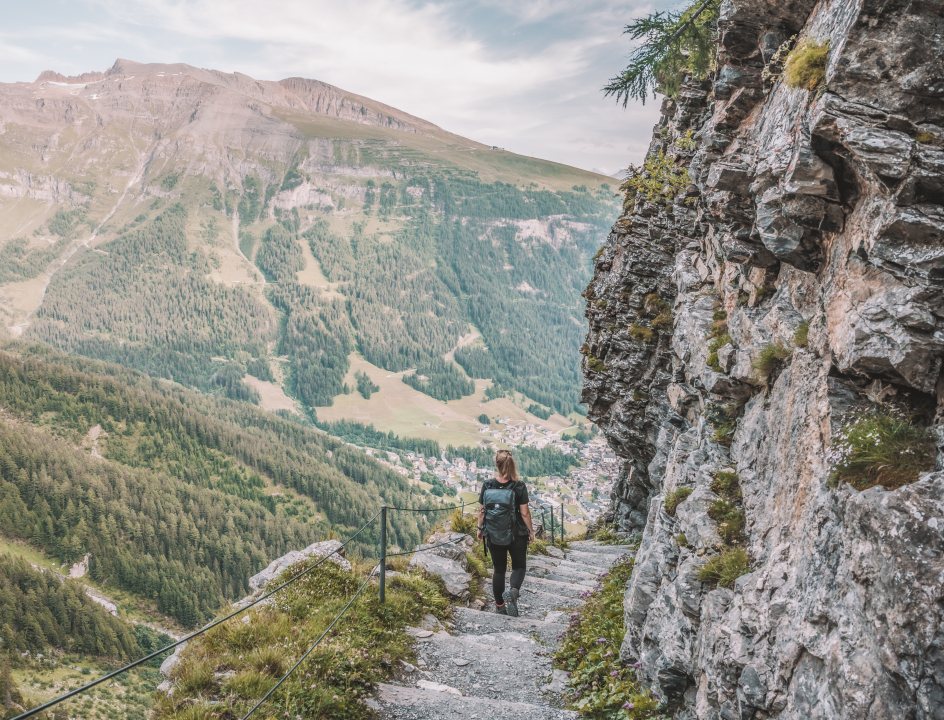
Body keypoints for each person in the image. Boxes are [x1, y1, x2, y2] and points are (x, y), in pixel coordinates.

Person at [477, 449, 534, 616]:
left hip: (494, 533)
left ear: (497, 464)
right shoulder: (519, 486)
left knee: (499, 570)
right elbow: (524, 512)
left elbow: (482, 511)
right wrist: (530, 531)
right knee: (519, 567)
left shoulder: (488, 485)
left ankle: (500, 606)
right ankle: (513, 592)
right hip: (517, 534)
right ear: (512, 465)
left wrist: (480, 529)